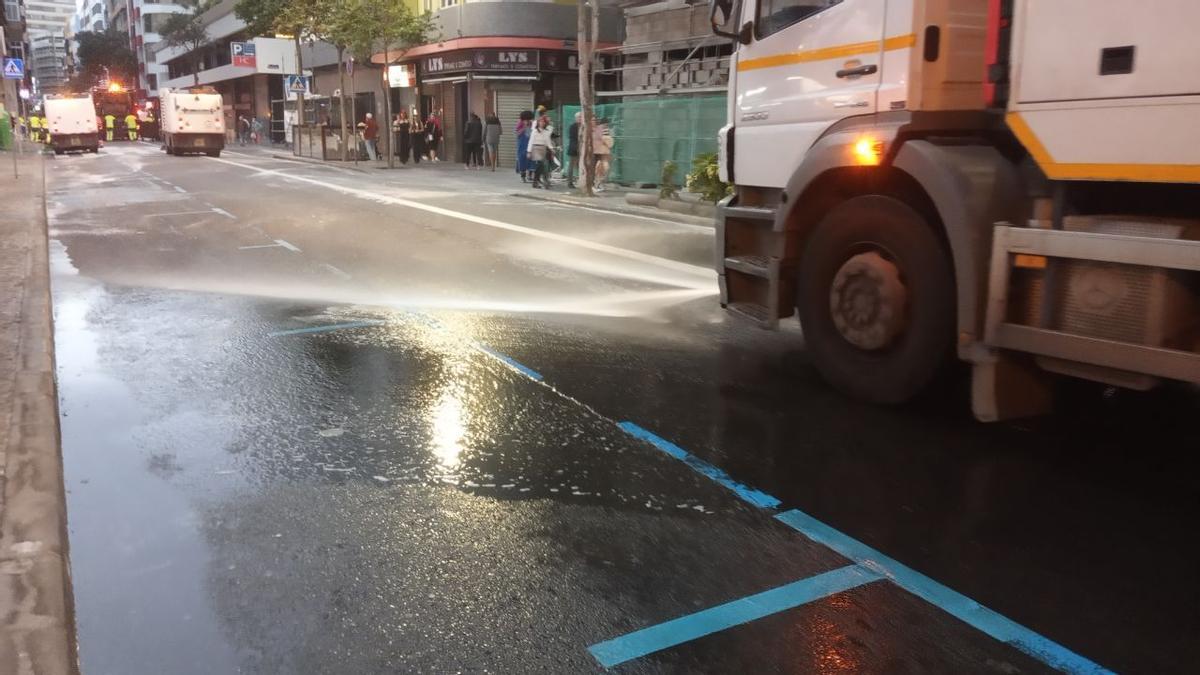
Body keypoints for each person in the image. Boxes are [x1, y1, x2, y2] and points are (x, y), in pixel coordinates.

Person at [526, 115, 555, 189]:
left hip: (543, 148)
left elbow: (548, 141)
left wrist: (551, 149)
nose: (542, 123)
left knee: (542, 165)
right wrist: (529, 151)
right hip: (536, 148)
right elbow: (531, 141)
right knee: (541, 163)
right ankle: (543, 181)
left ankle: (536, 181)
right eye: (540, 122)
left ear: (545, 123)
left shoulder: (546, 132)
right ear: (538, 123)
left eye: (543, 122)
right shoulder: (534, 131)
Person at [592, 118, 614, 192]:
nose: (606, 125)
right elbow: (607, 140)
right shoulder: (603, 130)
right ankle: (597, 184)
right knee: (603, 168)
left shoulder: (598, 129)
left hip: (600, 151)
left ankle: (598, 184)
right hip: (602, 151)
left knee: (601, 169)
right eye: (606, 123)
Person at [515, 110, 533, 182]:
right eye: (527, 119)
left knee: (531, 159)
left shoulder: (531, 123)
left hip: (529, 143)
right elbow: (517, 133)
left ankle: (530, 175)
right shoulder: (520, 123)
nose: (528, 120)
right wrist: (524, 127)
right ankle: (523, 176)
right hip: (522, 143)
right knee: (522, 159)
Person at [566, 111, 582, 188]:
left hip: (582, 149)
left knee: (580, 166)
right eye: (579, 117)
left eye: (581, 117)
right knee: (571, 166)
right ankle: (570, 182)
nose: (580, 118)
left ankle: (581, 181)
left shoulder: (583, 126)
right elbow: (573, 138)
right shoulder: (573, 126)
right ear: (576, 118)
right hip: (574, 148)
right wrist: (577, 147)